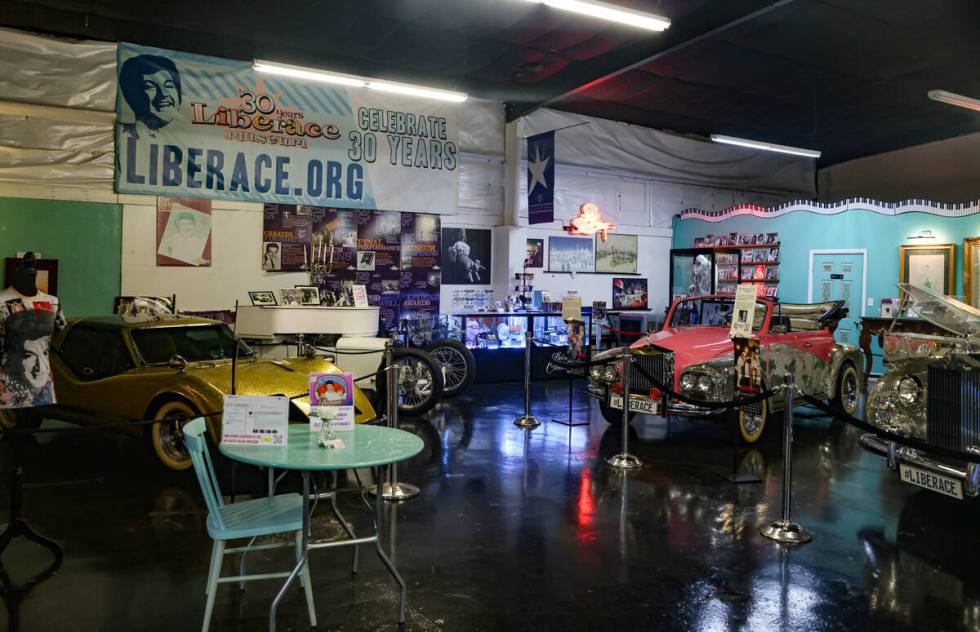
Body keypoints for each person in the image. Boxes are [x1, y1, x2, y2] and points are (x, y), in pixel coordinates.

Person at [119, 54, 182, 139]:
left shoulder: (191, 135)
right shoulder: (124, 135)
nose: (164, 94)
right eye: (150, 87)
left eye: (169, 86)